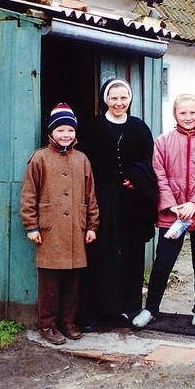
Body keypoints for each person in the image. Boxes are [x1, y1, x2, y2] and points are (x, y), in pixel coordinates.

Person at [132, 94, 195, 329]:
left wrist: (194, 204)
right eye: (183, 113)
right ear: (175, 114)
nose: (188, 117)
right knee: (163, 261)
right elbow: (158, 175)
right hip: (172, 213)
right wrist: (172, 204)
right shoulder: (163, 142)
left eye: (192, 112)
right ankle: (151, 308)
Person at [77, 78, 158, 330]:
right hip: (100, 197)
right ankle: (94, 312)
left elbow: (148, 164)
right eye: (114, 98)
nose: (119, 103)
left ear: (130, 99)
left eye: (123, 98)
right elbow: (83, 164)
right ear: (105, 100)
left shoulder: (139, 128)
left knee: (129, 252)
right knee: (98, 253)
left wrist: (137, 181)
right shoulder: (91, 127)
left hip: (130, 202)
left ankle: (127, 308)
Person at [20, 103, 99, 345]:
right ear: (51, 133)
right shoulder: (39, 158)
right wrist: (31, 226)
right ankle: (48, 324)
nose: (66, 135)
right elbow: (29, 195)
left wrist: (92, 226)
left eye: (70, 131)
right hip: (49, 230)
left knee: (72, 281)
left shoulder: (82, 159)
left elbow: (90, 196)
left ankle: (67, 322)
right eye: (61, 130)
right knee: (50, 281)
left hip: (76, 230)